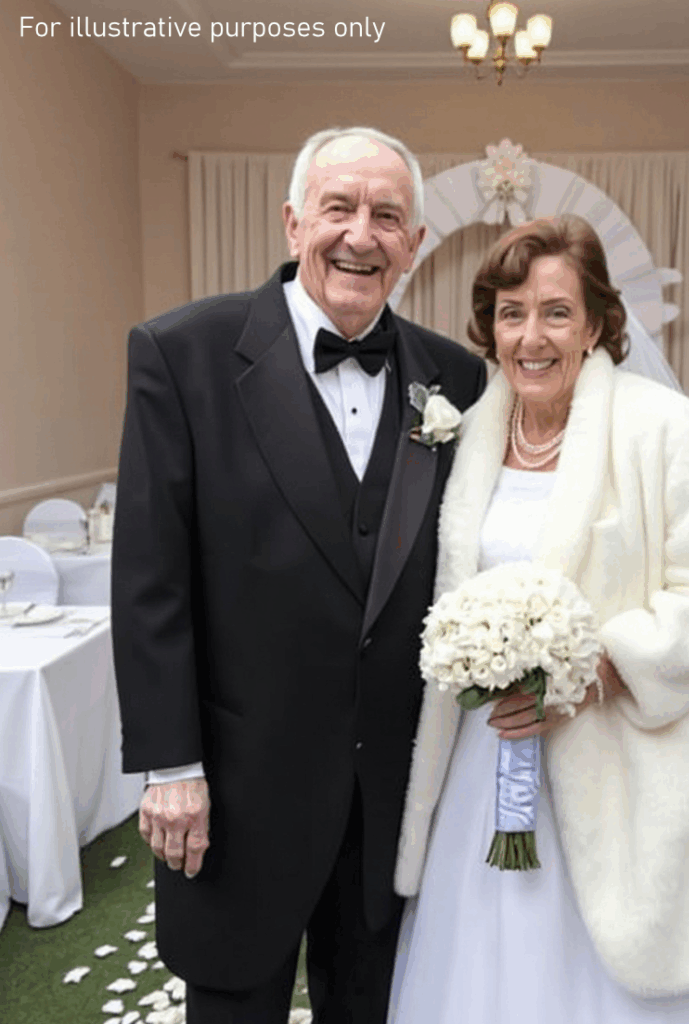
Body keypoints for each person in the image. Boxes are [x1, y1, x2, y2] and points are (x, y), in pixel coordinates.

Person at [389, 215, 689, 1023]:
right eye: (512, 312)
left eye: (556, 312)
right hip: (487, 766)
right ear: (490, 325)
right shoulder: (470, 433)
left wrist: (600, 670)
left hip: (626, 765)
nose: (531, 336)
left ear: (596, 324)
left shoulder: (662, 427)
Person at [111, 126, 486, 1024]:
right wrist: (171, 764)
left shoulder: (457, 378)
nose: (361, 234)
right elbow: (151, 578)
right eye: (338, 208)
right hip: (240, 790)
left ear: (413, 244)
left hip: (395, 795)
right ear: (293, 223)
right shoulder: (183, 353)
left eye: (387, 216)